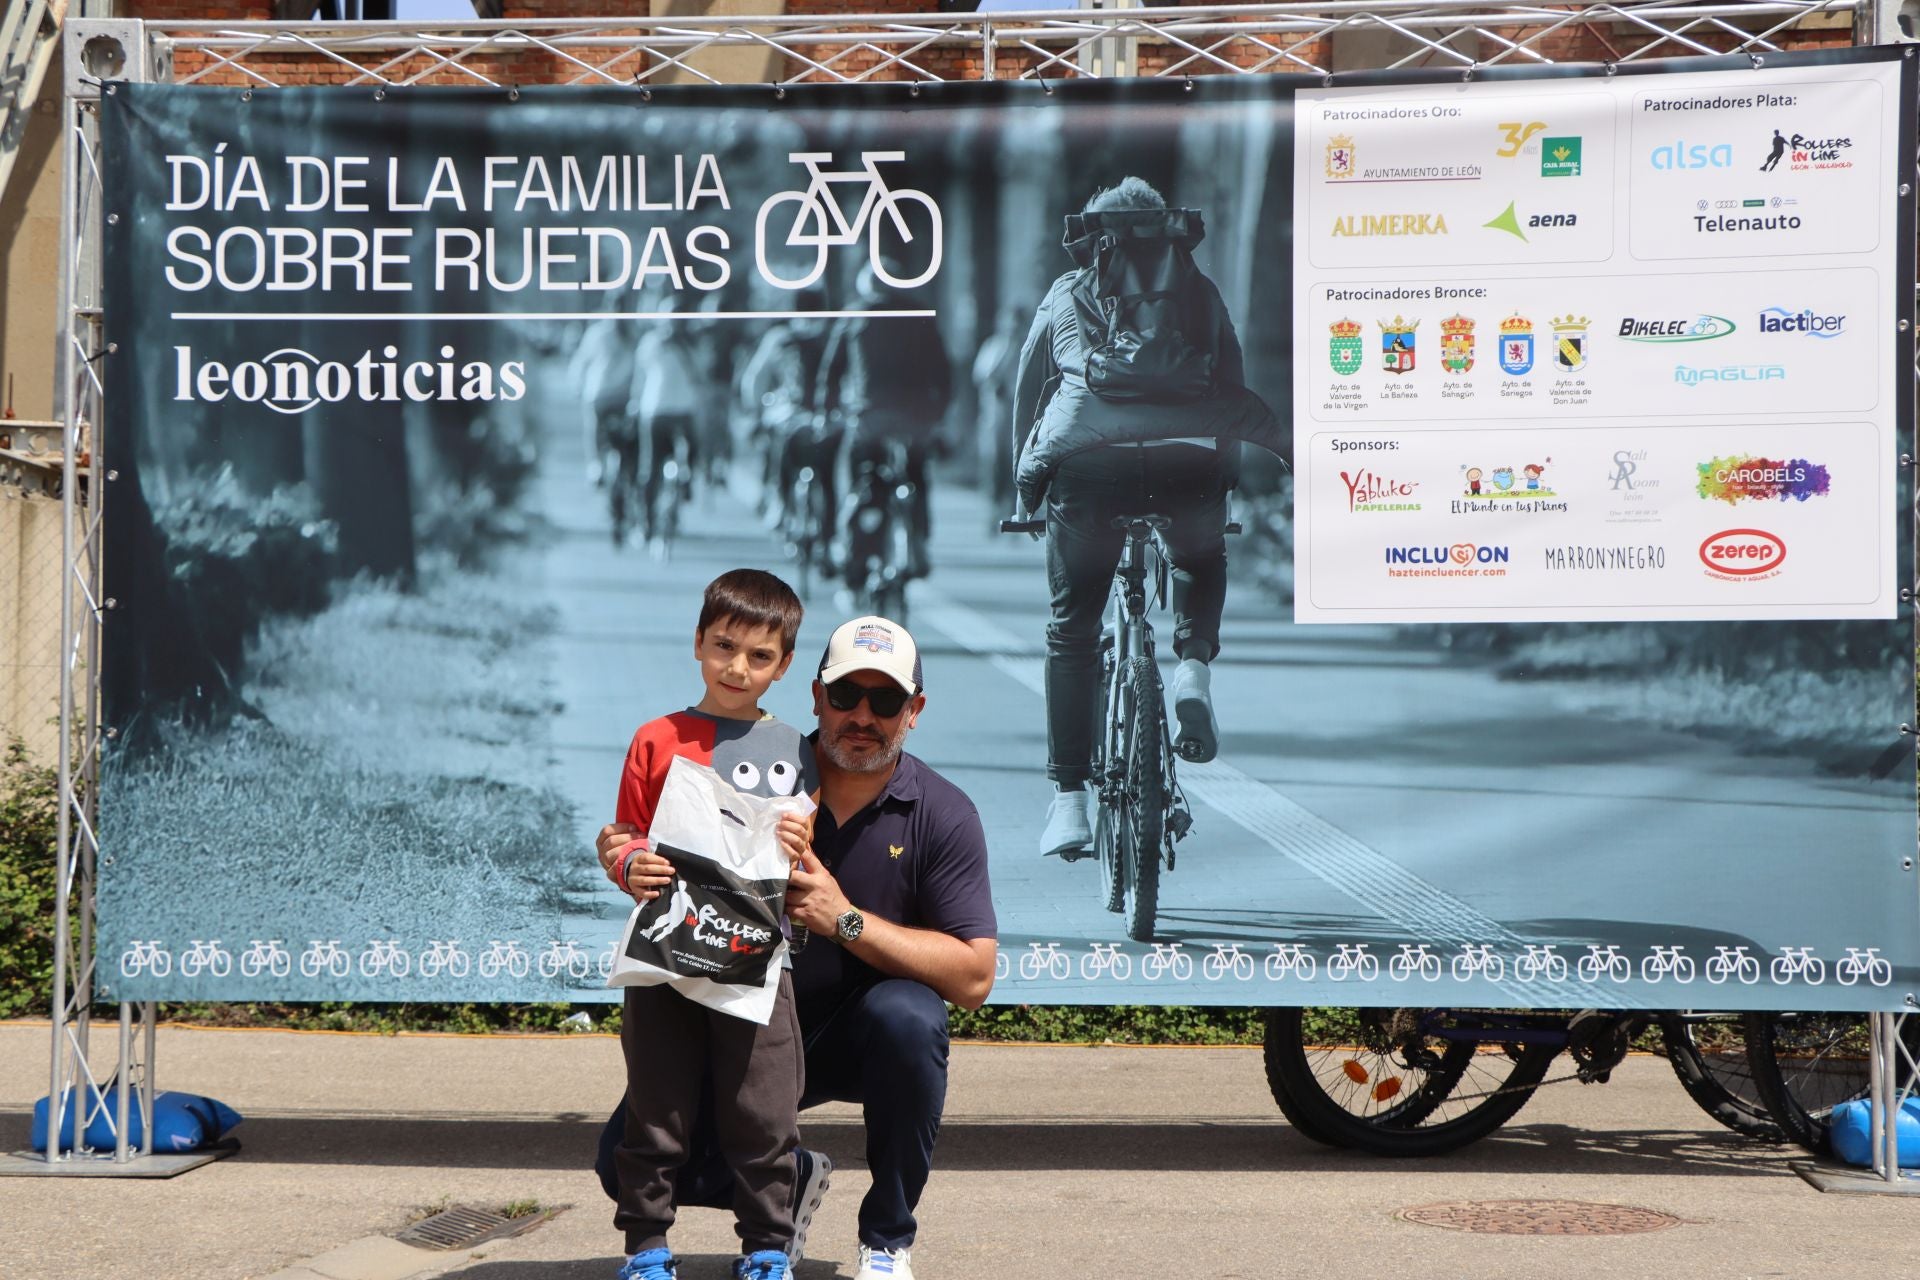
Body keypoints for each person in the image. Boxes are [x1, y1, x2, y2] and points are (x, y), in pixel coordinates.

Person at [597, 615, 997, 1280]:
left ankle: (888, 1240)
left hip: (862, 1032)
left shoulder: (943, 813)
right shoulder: (755, 765)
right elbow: (654, 842)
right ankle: (794, 1182)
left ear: (914, 712)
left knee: (910, 1019)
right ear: (816, 697)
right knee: (621, 1160)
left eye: (886, 700)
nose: (862, 716)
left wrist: (845, 919)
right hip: (739, 1020)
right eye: (845, 696)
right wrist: (623, 853)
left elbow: (975, 979)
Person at [1010, 176, 1284, 858]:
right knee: (1199, 554)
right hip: (1185, 463)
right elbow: (1232, 375)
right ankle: (1191, 666)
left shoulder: (1068, 289)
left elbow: (1026, 382)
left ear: (1092, 236)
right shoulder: (1198, 289)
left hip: (1087, 468)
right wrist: (1227, 478)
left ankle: (1070, 802)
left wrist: (1022, 489)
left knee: (1072, 632)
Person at [602, 568, 820, 1280]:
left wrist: (800, 849)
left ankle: (765, 1246)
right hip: (667, 958)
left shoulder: (795, 749)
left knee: (763, 1114)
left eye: (760, 656)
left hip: (758, 961)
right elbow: (625, 835)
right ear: (698, 642)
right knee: (656, 1108)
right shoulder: (655, 739)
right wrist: (629, 861)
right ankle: (646, 1248)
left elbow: (806, 860)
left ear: (785, 665)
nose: (738, 667)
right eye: (724, 646)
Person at [822, 265, 953, 586]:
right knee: (917, 476)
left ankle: (855, 551)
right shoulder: (921, 314)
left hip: (871, 415)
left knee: (860, 479)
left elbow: (832, 370)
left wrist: (829, 410)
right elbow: (943, 369)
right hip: (916, 416)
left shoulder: (854, 315)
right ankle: (919, 542)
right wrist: (938, 413)